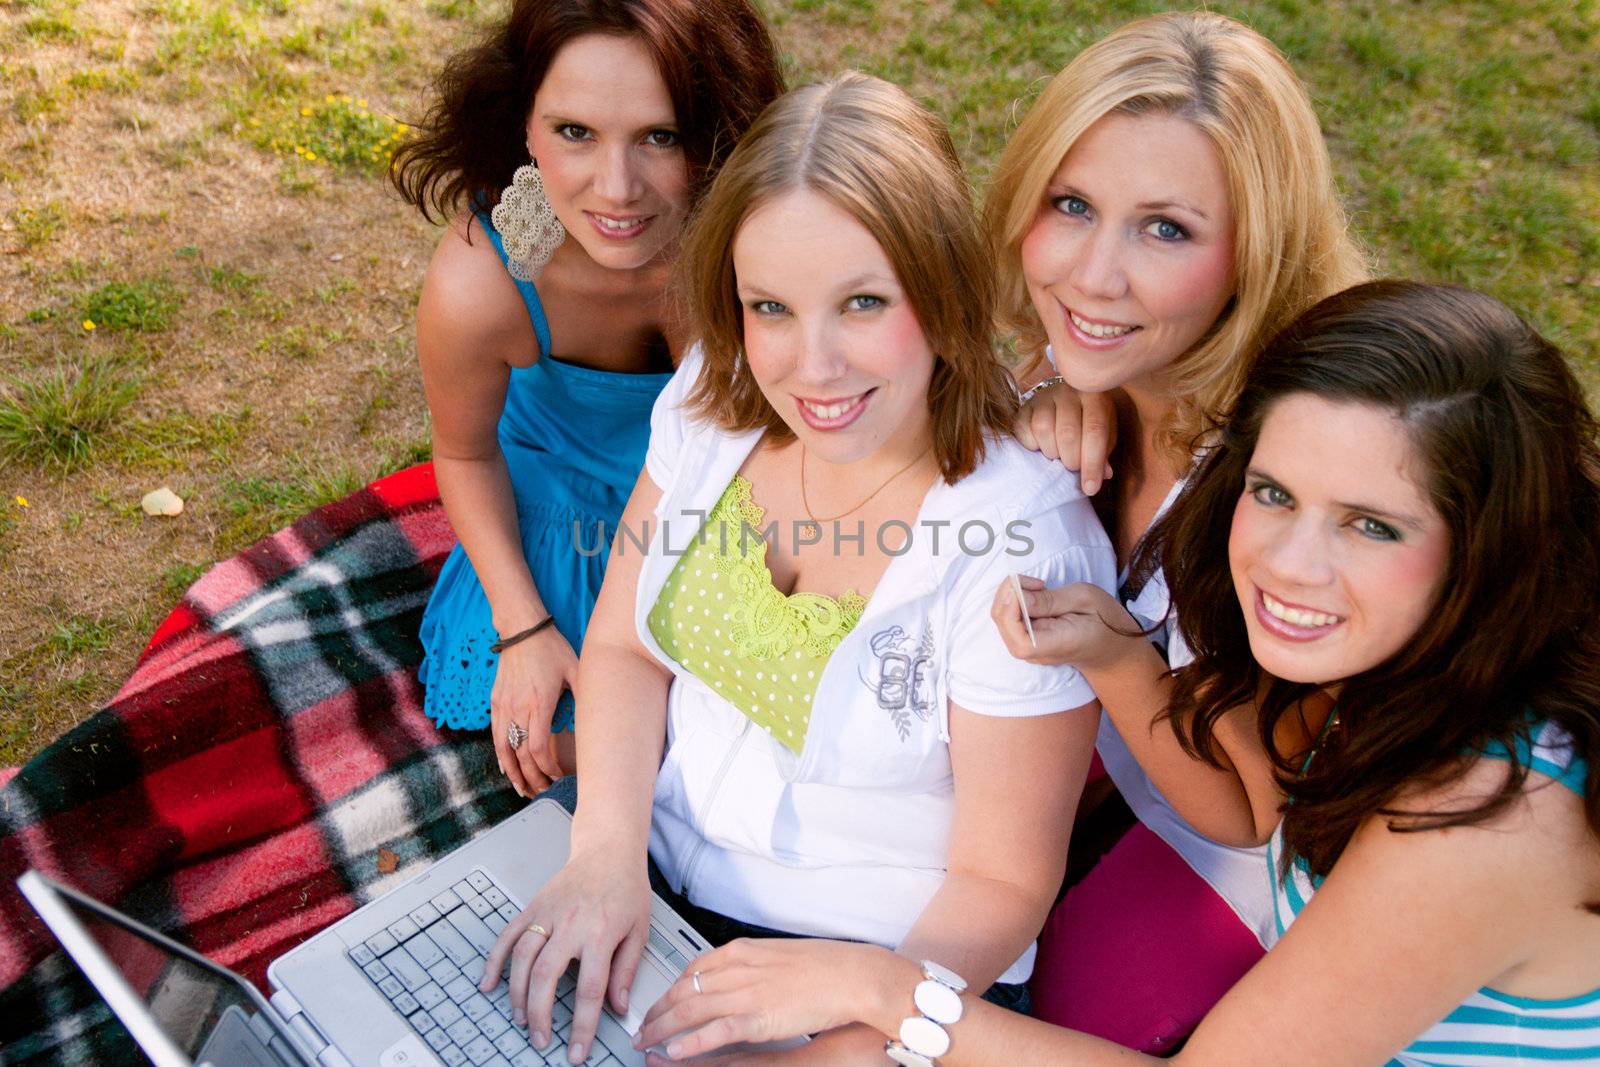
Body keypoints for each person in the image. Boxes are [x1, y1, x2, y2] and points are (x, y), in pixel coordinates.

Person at [634, 279, 1600, 1067]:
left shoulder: (1489, 812)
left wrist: (875, 988)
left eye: (1372, 523)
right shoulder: (1389, 660)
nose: (1289, 564)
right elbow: (1257, 811)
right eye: (1274, 492)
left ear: (1491, 543)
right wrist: (1119, 656)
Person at [479, 73, 1117, 1066]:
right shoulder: (709, 399)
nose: (810, 368)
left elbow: (1000, 883)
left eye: (862, 303)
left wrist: (837, 1054)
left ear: (942, 295)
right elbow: (621, 645)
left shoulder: (1022, 537)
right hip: (651, 892)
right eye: (770, 307)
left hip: (877, 976)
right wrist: (604, 850)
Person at [985, 11, 1367, 1048]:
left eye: (1166, 229)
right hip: (1121, 756)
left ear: (1255, 250)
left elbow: (1251, 812)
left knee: (1064, 1013)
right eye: (1070, 205)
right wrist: (1055, 396)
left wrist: (1115, 655)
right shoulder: (1088, 369)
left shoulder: (1282, 479)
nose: (1092, 275)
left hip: (1258, 845)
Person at [390, 0, 784, 798]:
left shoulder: (753, 238)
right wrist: (523, 626)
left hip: (716, 522)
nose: (618, 188)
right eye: (575, 132)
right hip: (553, 551)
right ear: (522, 126)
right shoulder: (486, 277)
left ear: (714, 133)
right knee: (573, 749)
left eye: (660, 136)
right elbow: (465, 452)